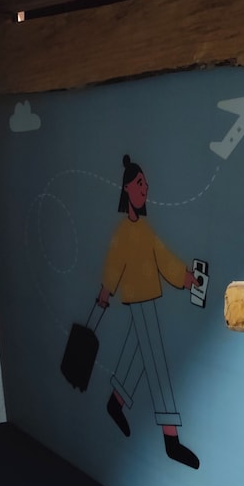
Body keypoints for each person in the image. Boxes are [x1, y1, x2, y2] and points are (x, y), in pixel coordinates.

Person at [96, 155, 201, 469]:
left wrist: (186, 278)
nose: (145, 187)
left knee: (137, 355)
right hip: (138, 299)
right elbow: (113, 264)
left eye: (145, 183)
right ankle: (171, 439)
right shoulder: (123, 232)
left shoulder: (144, 229)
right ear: (127, 188)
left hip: (148, 298)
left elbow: (163, 258)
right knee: (156, 364)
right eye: (139, 183)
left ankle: (115, 402)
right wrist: (105, 293)